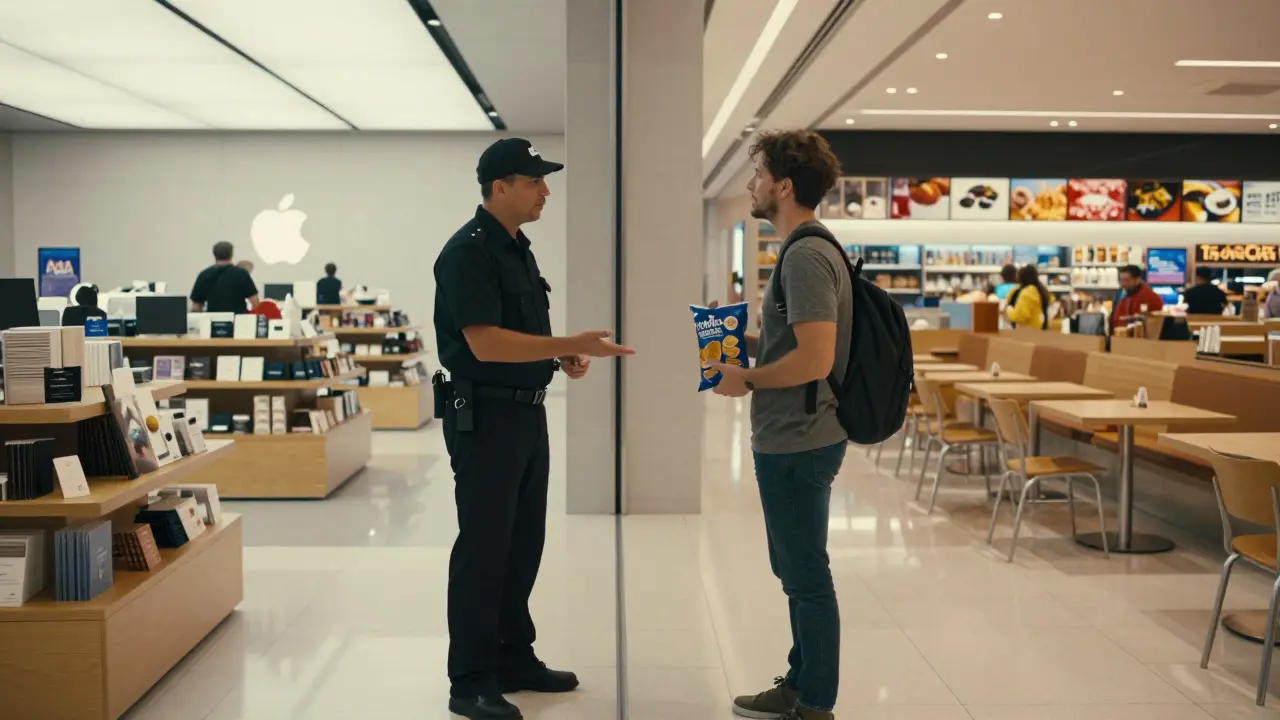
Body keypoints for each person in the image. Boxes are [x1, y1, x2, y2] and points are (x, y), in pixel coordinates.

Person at [433, 137, 635, 720]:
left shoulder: (518, 249)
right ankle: (471, 680)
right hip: (485, 418)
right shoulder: (467, 252)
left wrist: (558, 356)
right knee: (484, 548)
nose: (546, 191)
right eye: (534, 181)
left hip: (525, 413)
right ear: (500, 187)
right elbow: (483, 342)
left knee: (523, 545)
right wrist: (566, 341)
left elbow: (518, 335)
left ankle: (513, 657)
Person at [710, 129, 849, 720]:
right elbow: (799, 345)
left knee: (805, 575)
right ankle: (799, 682)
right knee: (794, 569)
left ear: (784, 186)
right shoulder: (807, 249)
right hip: (796, 435)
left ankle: (814, 702)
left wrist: (747, 379)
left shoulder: (805, 255)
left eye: (759, 174)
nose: (751, 184)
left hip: (799, 438)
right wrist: (743, 345)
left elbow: (816, 359)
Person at [190, 242, 259, 313]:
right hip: (237, 319)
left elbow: (196, 307)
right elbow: (255, 301)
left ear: (214, 255)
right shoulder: (241, 274)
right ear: (231, 254)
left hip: (213, 319)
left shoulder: (204, 275)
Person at [1006, 265, 1058, 330]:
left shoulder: (1026, 293)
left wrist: (1009, 310)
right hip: (1041, 329)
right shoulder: (1041, 290)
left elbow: (1020, 316)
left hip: (1027, 331)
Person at [1111, 264, 1163, 329]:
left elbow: (1155, 322)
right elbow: (1116, 320)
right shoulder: (1123, 297)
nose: (1123, 284)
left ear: (1137, 280)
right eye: (1121, 280)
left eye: (1127, 280)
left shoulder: (1151, 298)